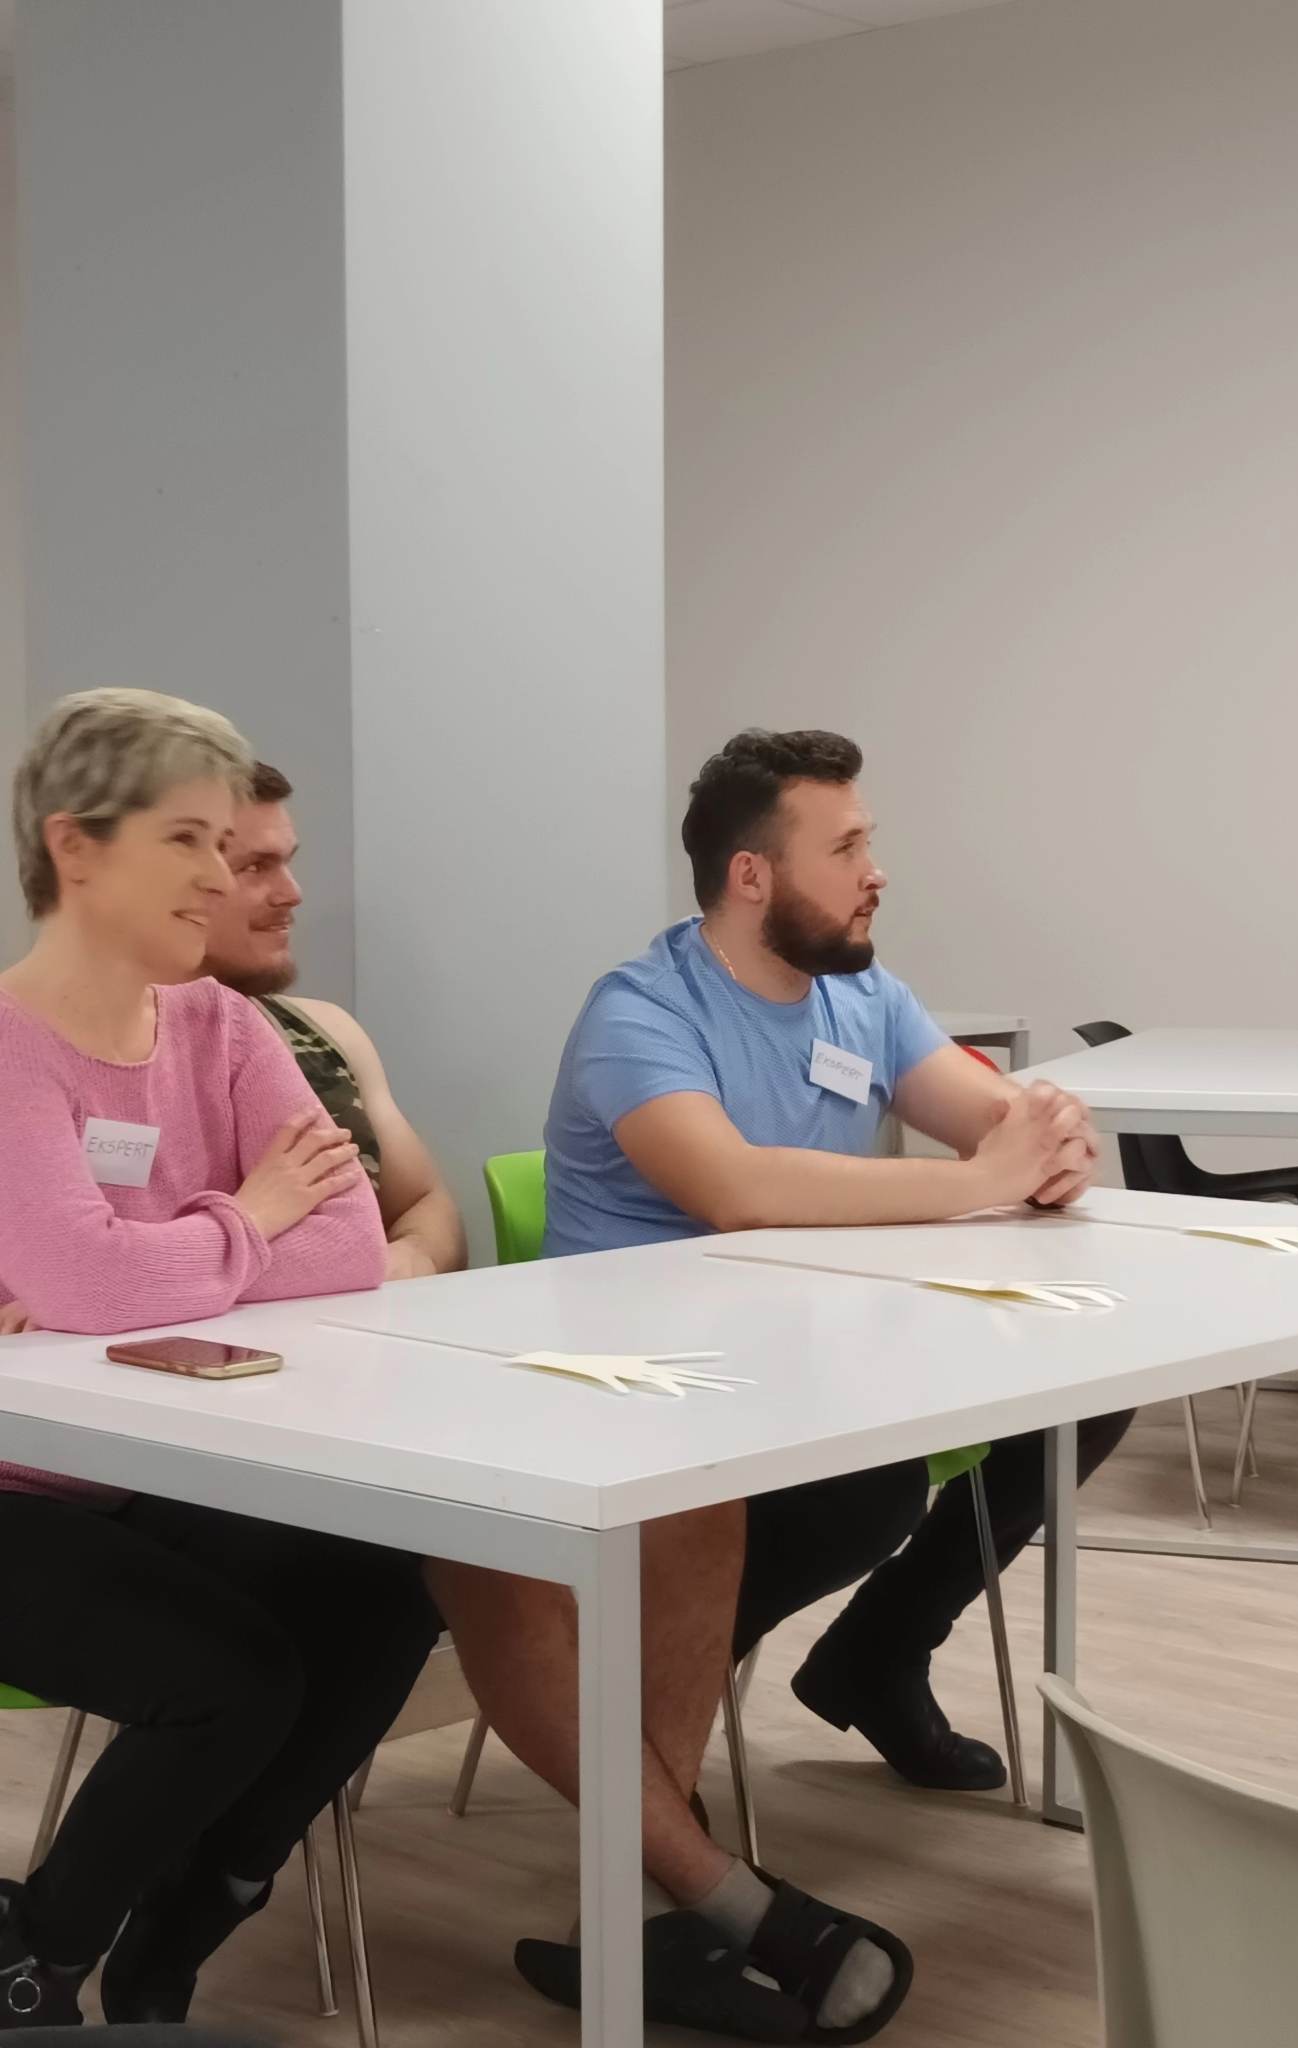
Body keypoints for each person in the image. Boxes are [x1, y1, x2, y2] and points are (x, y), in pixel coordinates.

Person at [433, 729, 1128, 2043]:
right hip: (640, 1404)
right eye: (847, 845)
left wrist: (1044, 1147)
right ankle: (665, 1878)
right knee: (789, 1496)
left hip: (806, 1382)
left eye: (870, 842)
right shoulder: (641, 1011)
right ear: (753, 875)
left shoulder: (865, 995)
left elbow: (993, 1121)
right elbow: (734, 1187)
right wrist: (978, 1180)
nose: (877, 870)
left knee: (1077, 1394)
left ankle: (871, 1659)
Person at [0, 691, 441, 2032]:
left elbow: (351, 1243)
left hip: (154, 1472)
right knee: (232, 1682)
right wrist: (248, 1212)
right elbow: (87, 1285)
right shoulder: (9, 1048)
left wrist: (139, 1255)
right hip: (19, 1491)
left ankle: (187, 1922)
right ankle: (37, 1960)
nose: (220, 872)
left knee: (389, 1583)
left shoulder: (225, 1028)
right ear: (76, 847)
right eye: (187, 839)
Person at [197, 761, 466, 1282]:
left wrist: (411, 1257)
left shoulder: (326, 1034)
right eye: (254, 867)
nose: (291, 892)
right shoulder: (90, 1053)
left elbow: (426, 1203)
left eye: (286, 862)